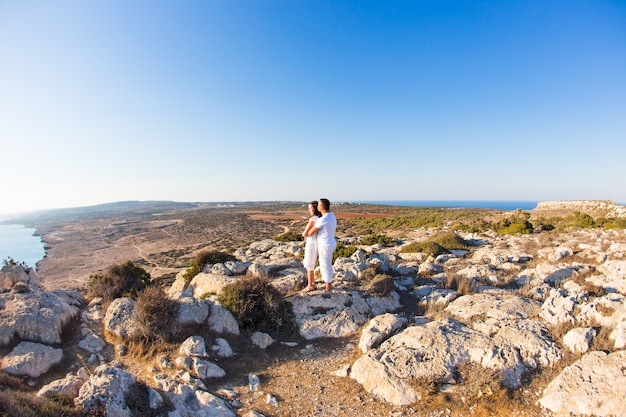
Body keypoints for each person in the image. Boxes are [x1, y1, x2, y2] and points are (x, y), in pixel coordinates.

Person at [305, 198, 337, 291]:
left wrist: (308, 231)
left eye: (318, 205)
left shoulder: (323, 219)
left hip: (325, 244)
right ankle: (328, 283)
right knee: (327, 263)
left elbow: (310, 232)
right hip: (331, 242)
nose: (317, 206)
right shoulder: (332, 216)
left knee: (325, 264)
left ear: (322, 207)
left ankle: (328, 287)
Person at [301, 200, 322, 292]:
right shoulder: (320, 219)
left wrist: (305, 233)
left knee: (309, 264)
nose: (309, 210)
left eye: (310, 208)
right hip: (316, 243)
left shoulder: (313, 219)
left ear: (315, 208)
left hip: (311, 244)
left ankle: (310, 285)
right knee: (312, 263)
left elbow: (304, 233)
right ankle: (313, 283)